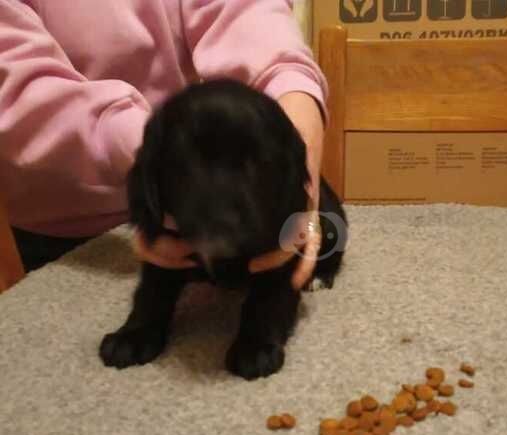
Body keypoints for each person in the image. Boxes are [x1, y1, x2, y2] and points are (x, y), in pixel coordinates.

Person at [0, 0, 326, 289]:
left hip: (196, 203)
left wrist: (294, 108)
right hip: (53, 233)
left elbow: (251, 21)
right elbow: (18, 91)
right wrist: (163, 156)